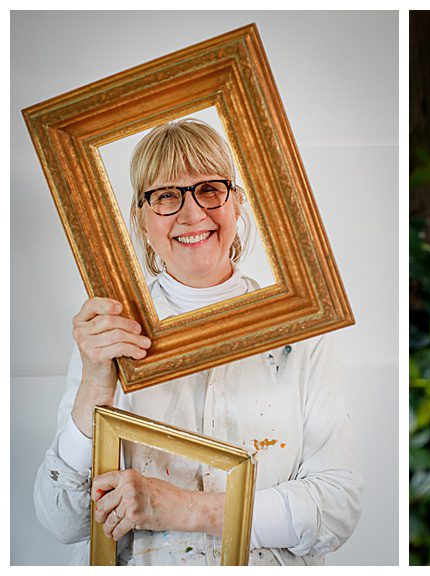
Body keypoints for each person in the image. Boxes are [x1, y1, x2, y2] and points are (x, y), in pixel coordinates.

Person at [33, 119, 362, 565]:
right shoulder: (110, 333)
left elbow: (337, 507)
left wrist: (183, 509)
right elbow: (61, 521)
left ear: (238, 202)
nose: (193, 214)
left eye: (210, 188)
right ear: (140, 217)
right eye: (166, 196)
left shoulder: (300, 328)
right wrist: (96, 381)